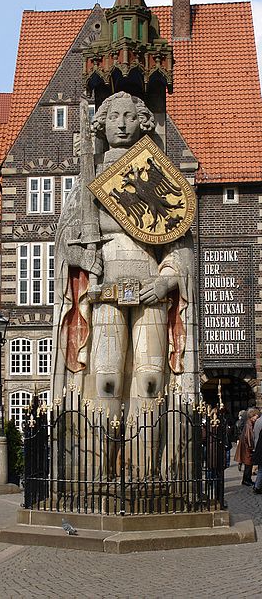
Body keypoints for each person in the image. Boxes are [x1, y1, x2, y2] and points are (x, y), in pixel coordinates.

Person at [51, 92, 197, 417]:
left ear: (142, 122)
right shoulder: (89, 181)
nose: (121, 123)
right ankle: (99, 465)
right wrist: (81, 258)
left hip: (150, 290)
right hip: (105, 290)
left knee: (148, 381)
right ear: (102, 124)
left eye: (129, 116)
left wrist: (166, 281)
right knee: (106, 381)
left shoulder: (157, 175)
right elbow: (63, 239)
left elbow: (180, 244)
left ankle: (146, 467)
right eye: (114, 116)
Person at [234, 408, 260, 486]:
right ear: (253, 416)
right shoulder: (249, 424)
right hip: (247, 448)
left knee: (248, 464)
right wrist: (251, 447)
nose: (257, 418)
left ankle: (247, 479)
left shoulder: (250, 423)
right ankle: (246, 480)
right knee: (248, 464)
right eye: (256, 416)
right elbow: (249, 437)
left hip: (246, 447)